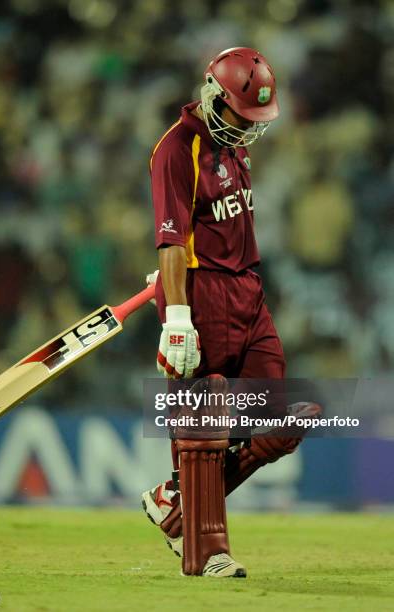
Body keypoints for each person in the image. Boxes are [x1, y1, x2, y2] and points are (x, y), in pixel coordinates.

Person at [142, 47, 319, 578]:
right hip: (204, 298)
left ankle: (175, 500)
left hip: (248, 289)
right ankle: (205, 549)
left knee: (280, 424)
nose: (247, 131)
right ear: (214, 95)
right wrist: (177, 312)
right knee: (204, 427)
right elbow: (170, 239)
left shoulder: (233, 147)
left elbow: (208, 227)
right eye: (240, 117)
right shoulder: (177, 150)